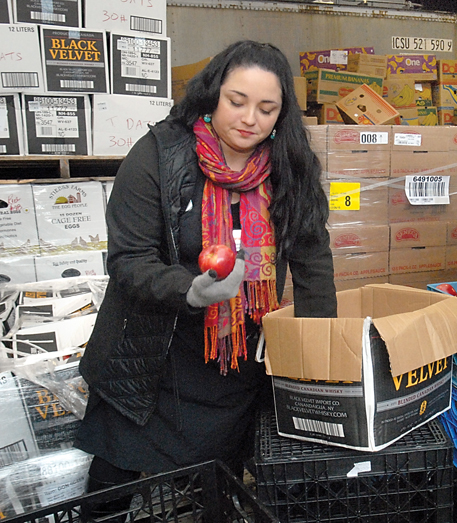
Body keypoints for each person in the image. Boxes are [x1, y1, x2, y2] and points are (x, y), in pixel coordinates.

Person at [74, 41, 337, 502]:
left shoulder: (288, 168)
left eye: (266, 108)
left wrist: (318, 354)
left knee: (215, 483)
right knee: (113, 483)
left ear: (282, 115)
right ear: (213, 93)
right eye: (237, 101)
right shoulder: (159, 155)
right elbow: (128, 260)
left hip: (236, 363)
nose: (250, 118)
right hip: (155, 354)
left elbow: (313, 265)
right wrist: (190, 292)